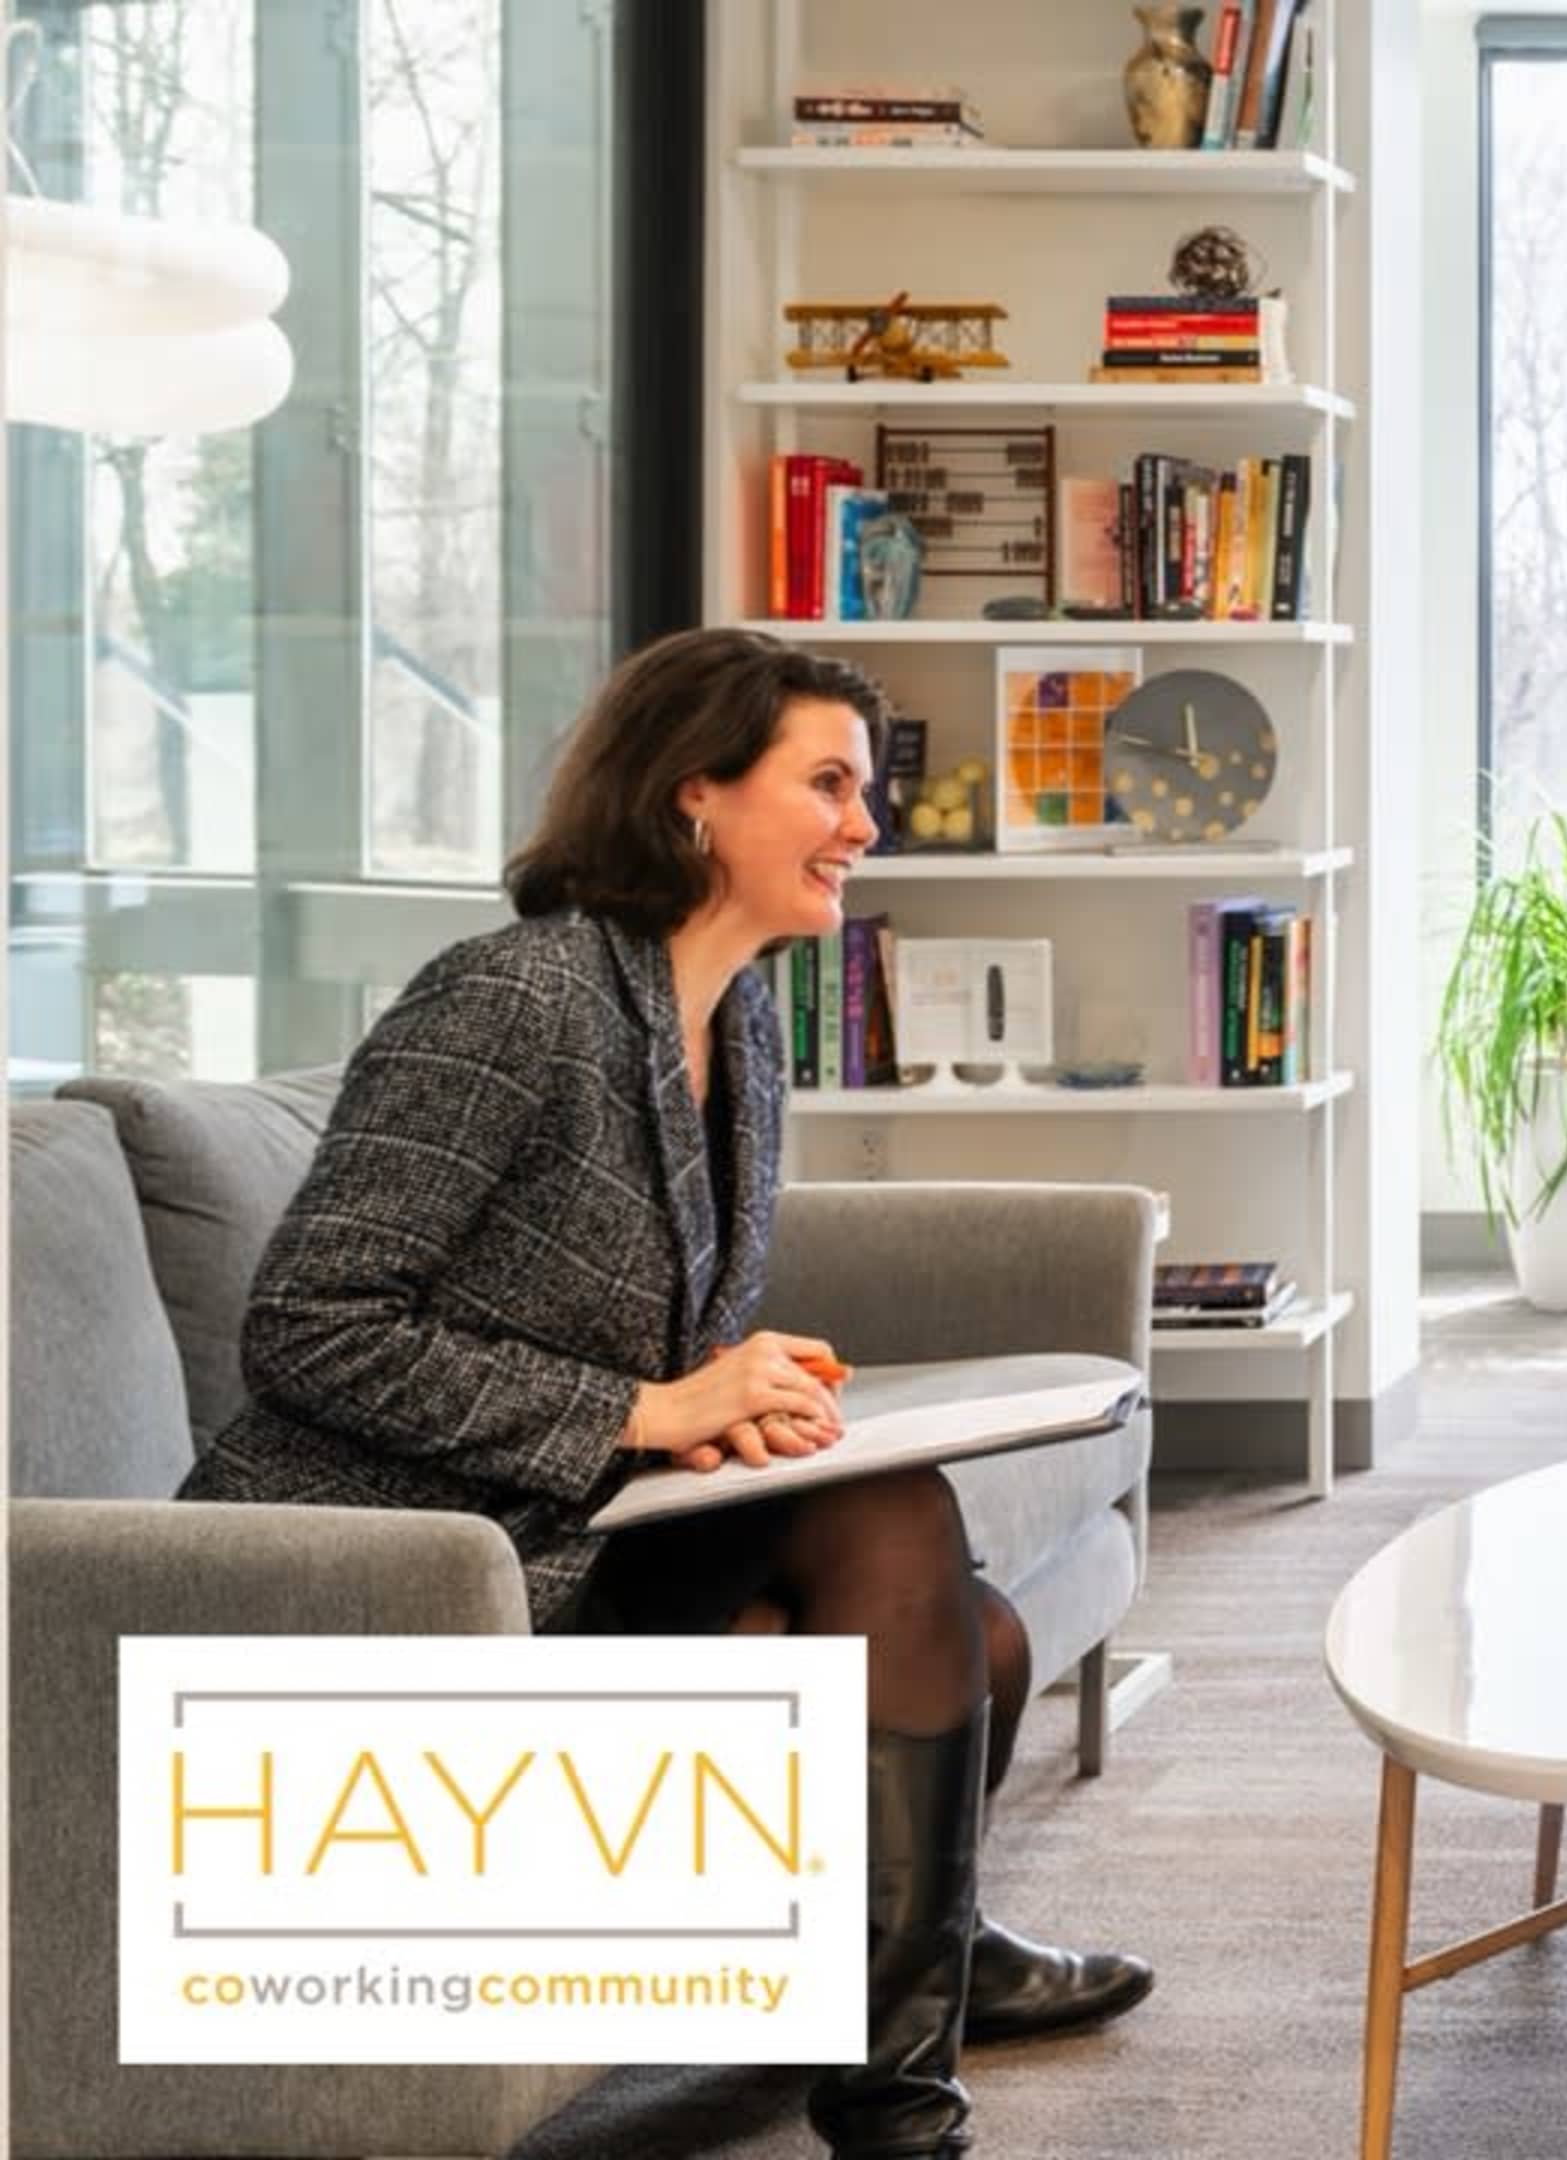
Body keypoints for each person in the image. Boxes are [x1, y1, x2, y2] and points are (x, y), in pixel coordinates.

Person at [179, 626, 1152, 2159]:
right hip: (404, 1570)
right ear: (695, 791)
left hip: (569, 1523)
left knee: (962, 1606)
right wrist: (644, 1412)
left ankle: (908, 2012)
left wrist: (724, 1388)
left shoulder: (738, 1015)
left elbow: (626, 1313)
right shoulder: (511, 998)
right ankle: (905, 2076)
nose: (865, 825)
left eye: (866, 792)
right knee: (906, 1561)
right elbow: (307, 1327)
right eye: (828, 785)